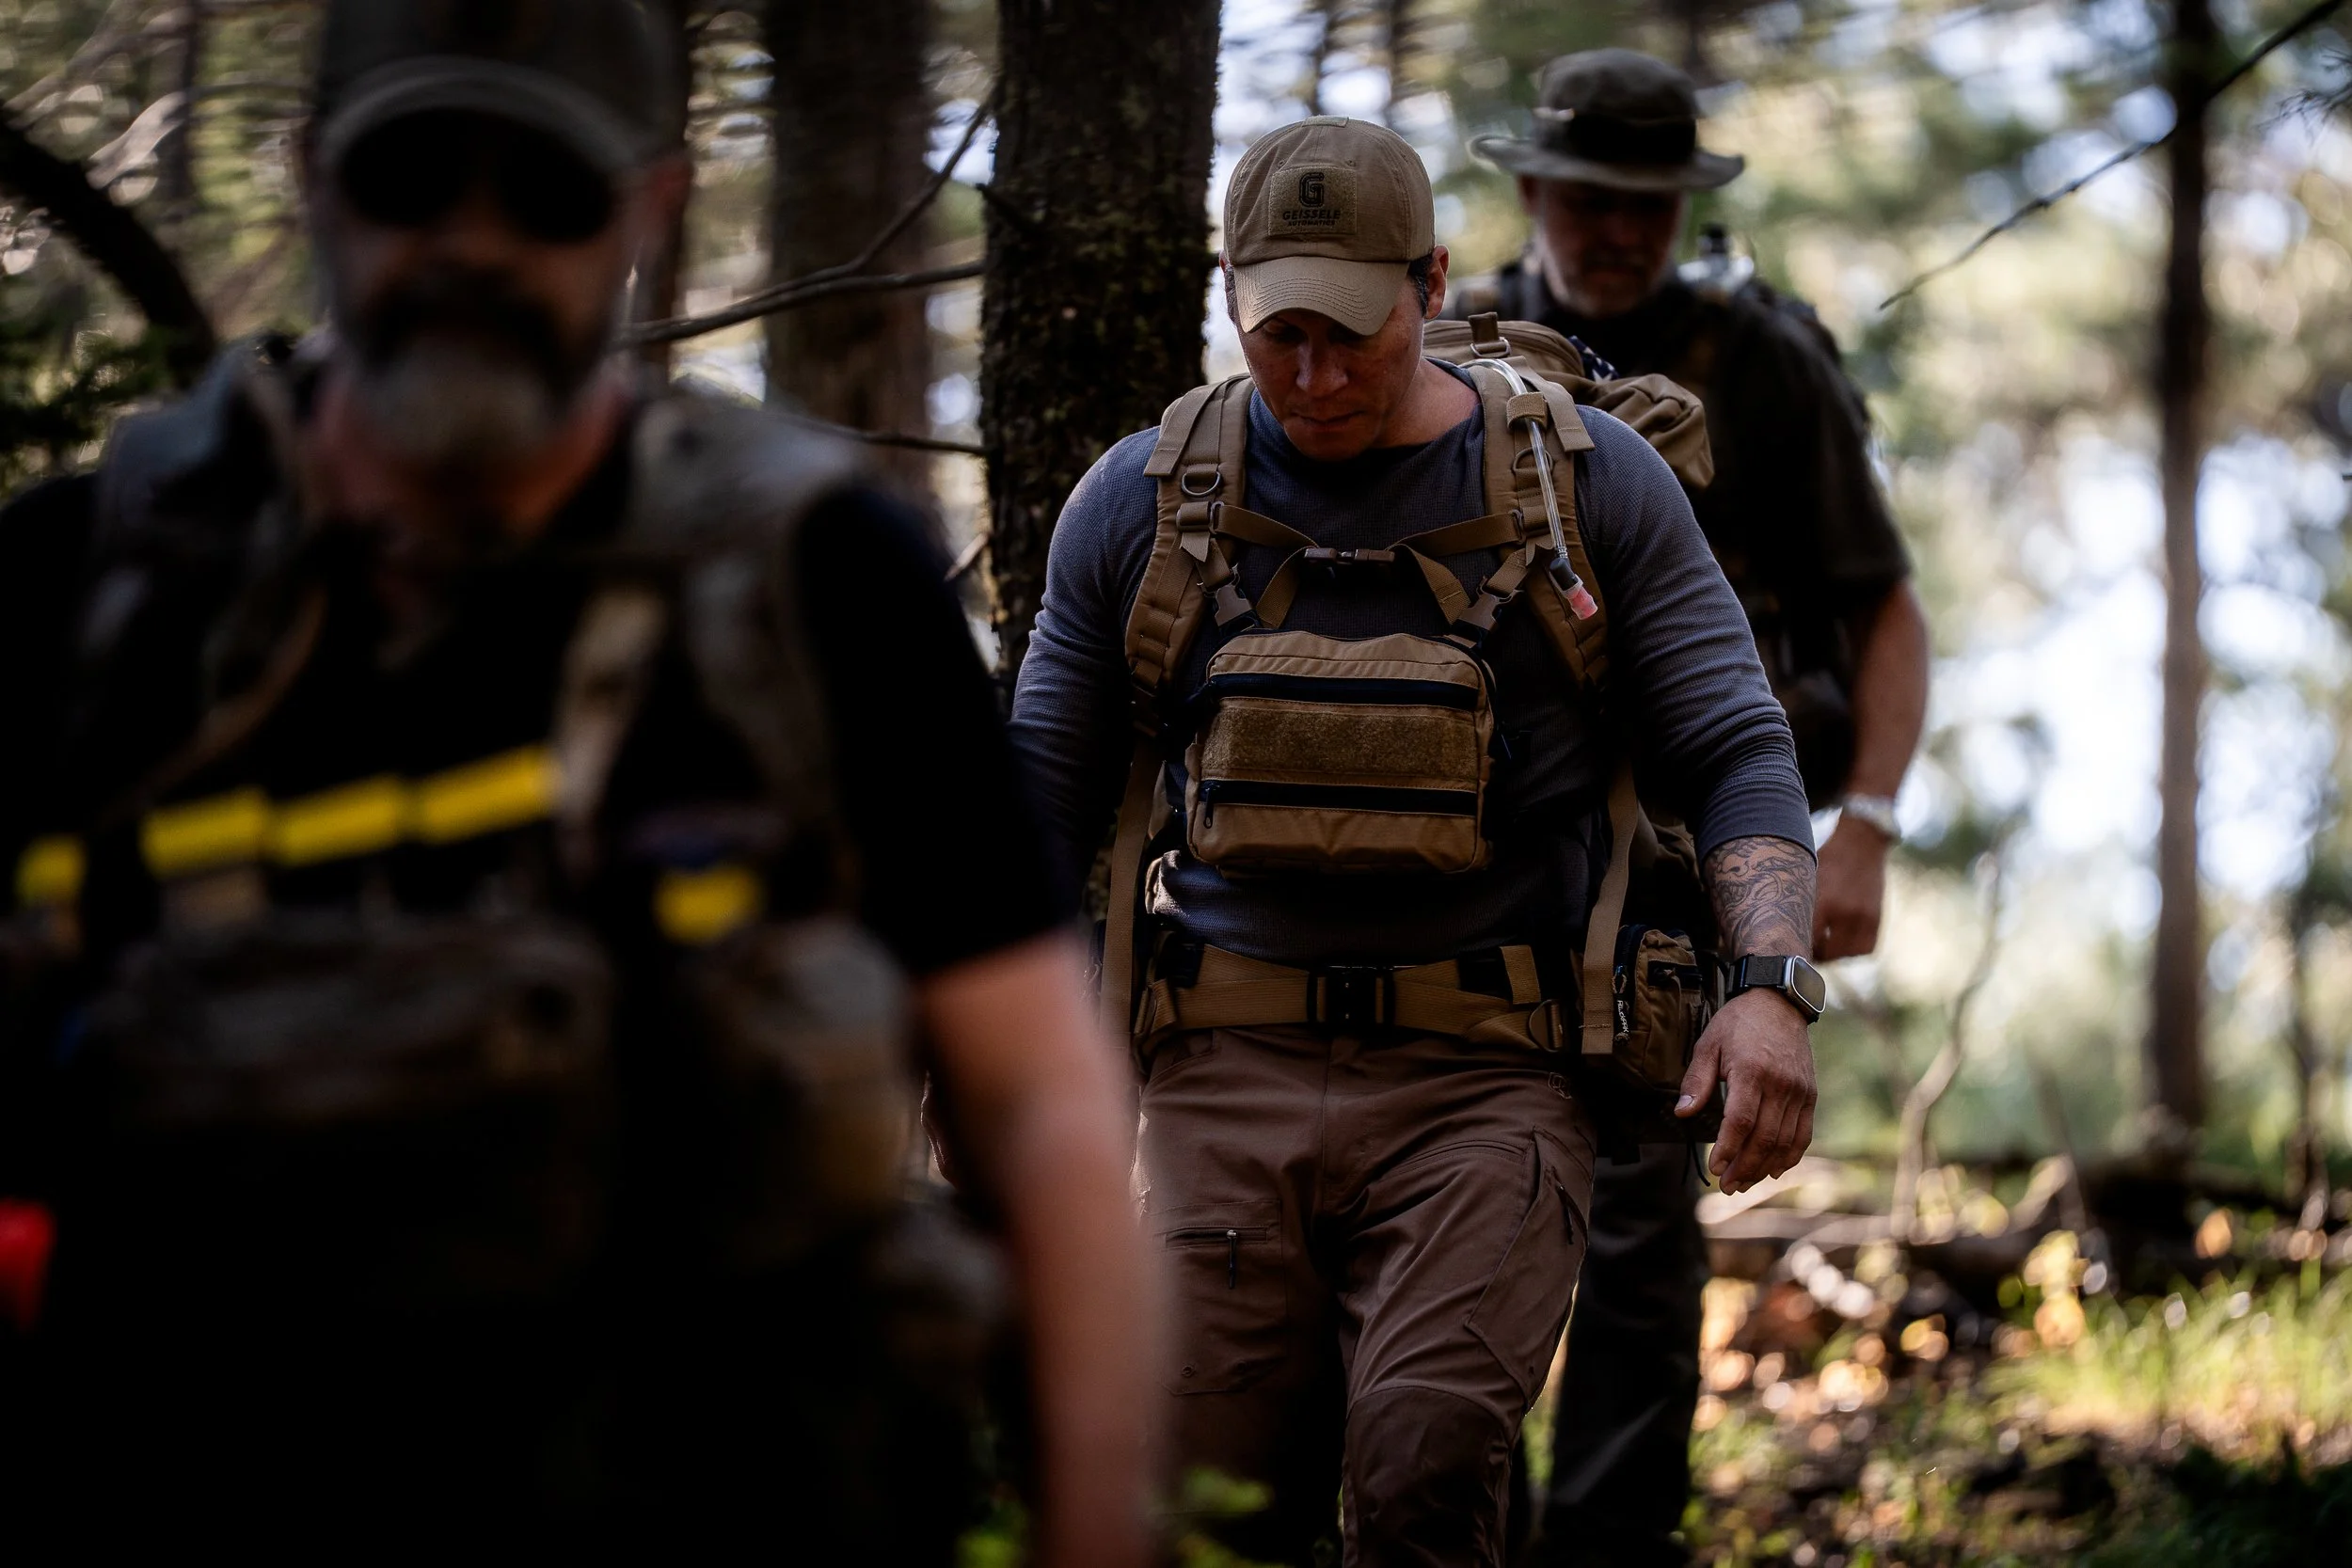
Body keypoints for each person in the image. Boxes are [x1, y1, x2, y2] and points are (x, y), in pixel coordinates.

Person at [0, 2, 1151, 1560]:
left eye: (542, 193)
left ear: (648, 209)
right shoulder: (86, 584)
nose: (472, 248)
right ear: (314, 177)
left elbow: (1041, 1111)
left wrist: (1094, 1528)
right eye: (415, 176)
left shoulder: (821, 584)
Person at [1009, 115, 1825, 1568]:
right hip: (1217, 1085)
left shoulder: (1590, 489)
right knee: (1216, 1513)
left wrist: (1768, 985)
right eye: (1282, 335)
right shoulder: (1139, 505)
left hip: (1488, 1084)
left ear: (1433, 285)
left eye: (1357, 333)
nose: (1315, 376)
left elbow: (1736, 744)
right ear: (1230, 296)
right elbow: (1036, 801)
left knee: (1424, 1465)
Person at [1463, 49, 1931, 1568]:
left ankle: (1605, 1548)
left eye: (1648, 203)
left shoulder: (1764, 364)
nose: (1619, 230)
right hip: (1476, 852)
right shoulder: (1449, 341)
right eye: (1592, 198)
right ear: (1534, 191)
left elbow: (1883, 611)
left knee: (1641, 1232)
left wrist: (1857, 822)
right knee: (1448, 1212)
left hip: (1687, 854)